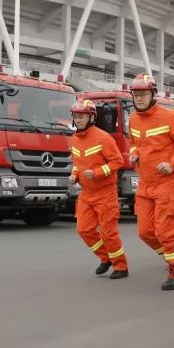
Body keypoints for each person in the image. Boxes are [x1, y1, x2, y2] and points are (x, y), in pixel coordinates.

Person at [128, 73, 174, 291]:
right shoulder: (133, 119)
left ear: (153, 94)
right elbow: (134, 143)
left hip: (167, 184)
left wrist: (172, 163)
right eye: (135, 95)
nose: (139, 98)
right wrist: (133, 154)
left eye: (143, 94)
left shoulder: (169, 117)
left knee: (166, 231)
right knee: (145, 232)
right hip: (145, 184)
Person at [69, 99, 128, 278]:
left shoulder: (103, 137)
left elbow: (118, 161)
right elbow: (77, 164)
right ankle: (105, 257)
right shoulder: (75, 140)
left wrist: (96, 173)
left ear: (91, 117)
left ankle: (121, 266)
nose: (78, 120)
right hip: (87, 193)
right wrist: (74, 175)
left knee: (109, 232)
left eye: (82, 116)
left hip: (105, 193)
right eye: (76, 116)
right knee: (84, 230)